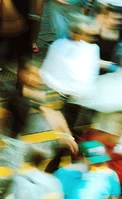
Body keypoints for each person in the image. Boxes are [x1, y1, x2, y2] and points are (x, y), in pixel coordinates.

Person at [40, 16, 101, 173]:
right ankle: (63, 161)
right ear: (74, 32)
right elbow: (50, 72)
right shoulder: (59, 46)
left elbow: (90, 70)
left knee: (71, 131)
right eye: (83, 33)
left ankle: (59, 162)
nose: (86, 38)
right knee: (67, 131)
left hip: (80, 98)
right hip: (62, 96)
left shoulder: (92, 48)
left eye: (89, 34)